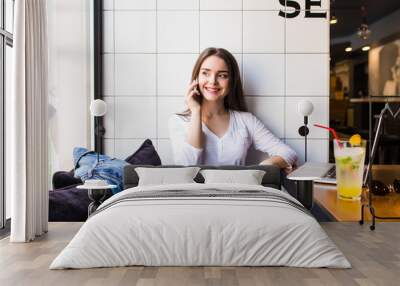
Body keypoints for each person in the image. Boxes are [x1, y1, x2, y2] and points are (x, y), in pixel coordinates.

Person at [168, 47, 297, 170]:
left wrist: (262, 168)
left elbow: (288, 153)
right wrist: (196, 112)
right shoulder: (178, 121)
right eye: (205, 73)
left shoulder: (246, 120)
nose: (213, 81)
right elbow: (185, 167)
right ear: (196, 78)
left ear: (231, 81)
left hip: (237, 192)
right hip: (195, 193)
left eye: (222, 75)